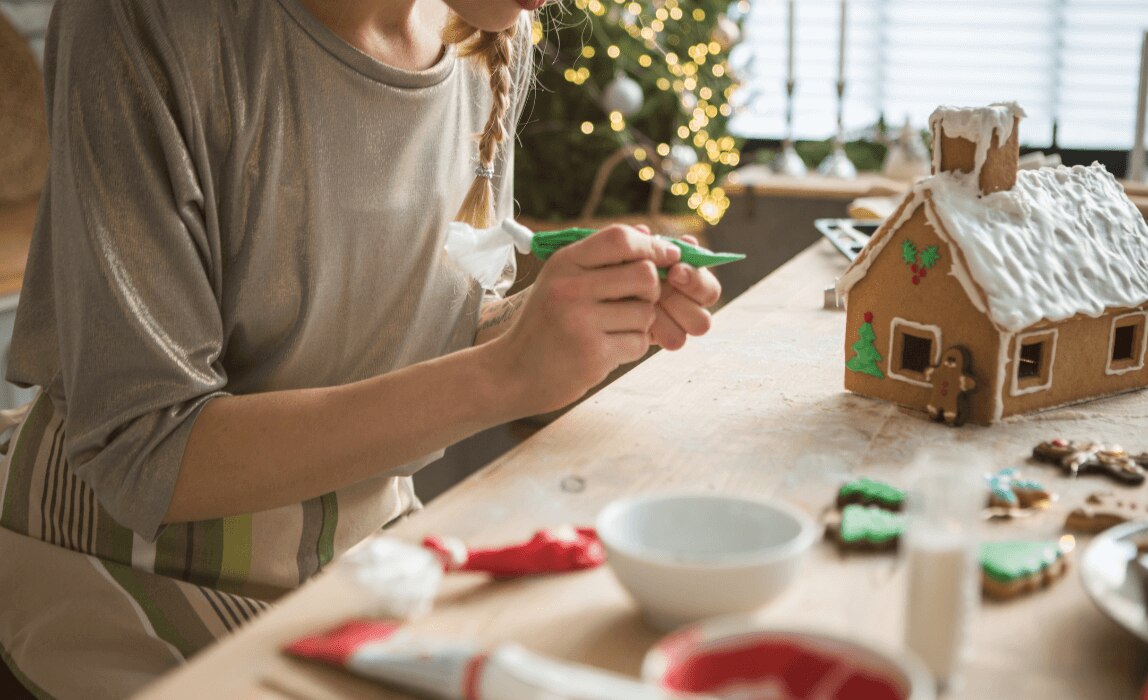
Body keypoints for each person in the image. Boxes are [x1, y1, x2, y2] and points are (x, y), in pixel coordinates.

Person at [0, 0, 722, 698]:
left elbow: (413, 328)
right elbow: (145, 453)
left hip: (362, 565)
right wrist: (504, 374)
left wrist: (578, 326)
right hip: (118, 568)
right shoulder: (142, 19)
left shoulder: (484, 32)